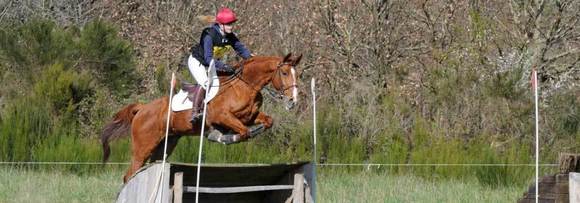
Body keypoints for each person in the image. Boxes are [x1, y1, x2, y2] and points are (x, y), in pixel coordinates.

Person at [188, 7, 252, 124]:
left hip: (212, 64)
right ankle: (195, 112)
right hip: (198, 62)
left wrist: (254, 60)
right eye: (228, 24)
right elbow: (207, 59)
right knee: (205, 82)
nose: (231, 26)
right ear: (220, 25)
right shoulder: (209, 34)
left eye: (232, 23)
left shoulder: (230, 36)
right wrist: (223, 65)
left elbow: (242, 50)